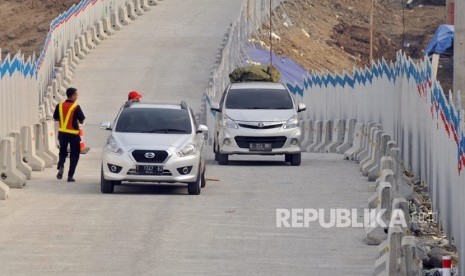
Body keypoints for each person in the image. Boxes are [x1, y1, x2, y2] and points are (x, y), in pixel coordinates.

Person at [53, 87, 86, 182]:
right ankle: (70, 176)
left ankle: (61, 164)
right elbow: (82, 120)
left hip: (62, 133)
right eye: (76, 95)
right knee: (74, 155)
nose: (77, 97)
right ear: (72, 96)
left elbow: (55, 118)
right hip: (74, 135)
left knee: (63, 151)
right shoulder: (76, 107)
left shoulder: (59, 106)